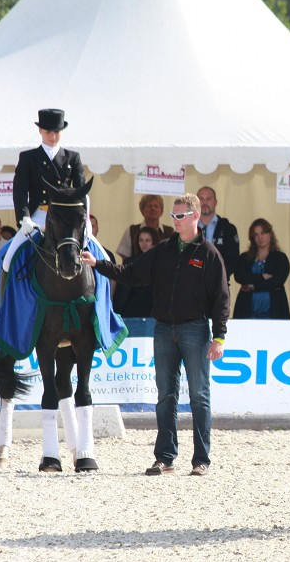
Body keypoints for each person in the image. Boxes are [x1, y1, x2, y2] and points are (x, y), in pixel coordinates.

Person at [82, 194, 229, 477]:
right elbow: (129, 274)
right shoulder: (163, 251)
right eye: (173, 216)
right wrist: (97, 264)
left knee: (199, 395)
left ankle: (201, 460)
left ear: (195, 216)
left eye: (180, 215)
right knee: (165, 396)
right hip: (163, 329)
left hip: (196, 329)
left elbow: (222, 298)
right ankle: (165, 457)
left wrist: (219, 336)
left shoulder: (209, 254)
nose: (175, 220)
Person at [3, 108, 84, 272]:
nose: (53, 137)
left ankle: (102, 295)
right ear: (40, 130)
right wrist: (24, 218)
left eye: (56, 132)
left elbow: (81, 192)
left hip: (65, 219)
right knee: (7, 258)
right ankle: (1, 296)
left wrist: (84, 218)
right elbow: (19, 190)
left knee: (100, 253)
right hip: (38, 216)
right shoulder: (28, 158)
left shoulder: (72, 157)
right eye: (48, 132)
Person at [233, 219, 290, 319]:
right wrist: (262, 276)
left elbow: (277, 281)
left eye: (263, 233)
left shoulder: (280, 258)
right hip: (247, 312)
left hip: (274, 312)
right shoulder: (245, 257)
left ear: (270, 234)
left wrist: (253, 287)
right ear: (252, 238)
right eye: (256, 235)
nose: (260, 237)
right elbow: (239, 276)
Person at [112, 226, 158, 317]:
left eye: (147, 240)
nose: (144, 244)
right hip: (132, 309)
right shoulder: (130, 262)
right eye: (141, 240)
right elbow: (122, 291)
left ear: (154, 242)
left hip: (153, 308)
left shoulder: (161, 262)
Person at [196, 185, 239, 281]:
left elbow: (233, 259)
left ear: (215, 202)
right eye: (201, 199)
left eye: (208, 199)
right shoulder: (189, 228)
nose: (205, 202)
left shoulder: (228, 228)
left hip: (219, 284)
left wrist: (216, 275)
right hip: (193, 285)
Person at [116, 194, 174, 261]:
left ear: (161, 210)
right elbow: (125, 256)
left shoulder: (169, 231)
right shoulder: (132, 230)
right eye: (149, 206)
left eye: (156, 206)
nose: (153, 208)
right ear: (142, 210)